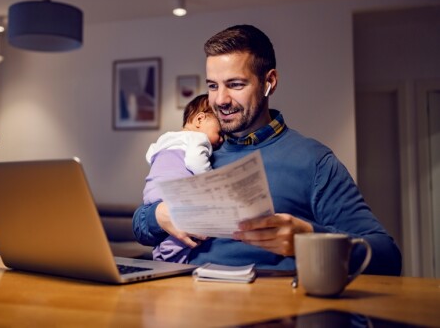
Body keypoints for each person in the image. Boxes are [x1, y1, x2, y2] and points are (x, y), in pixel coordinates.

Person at [133, 24, 402, 275]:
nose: (220, 100)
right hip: (187, 307)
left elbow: (387, 256)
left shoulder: (314, 161)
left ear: (269, 82)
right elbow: (141, 227)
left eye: (235, 84)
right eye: (213, 86)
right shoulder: (199, 151)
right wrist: (158, 216)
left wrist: (307, 238)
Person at [143, 94, 223, 263]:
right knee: (199, 225)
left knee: (168, 229)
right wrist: (211, 179)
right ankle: (170, 255)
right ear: (200, 119)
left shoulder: (165, 137)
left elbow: (150, 155)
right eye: (220, 132)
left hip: (152, 191)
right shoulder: (199, 138)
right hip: (176, 191)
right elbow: (195, 162)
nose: (222, 140)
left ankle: (160, 253)